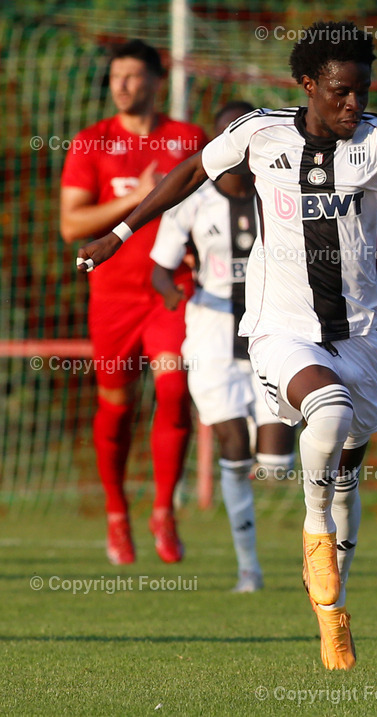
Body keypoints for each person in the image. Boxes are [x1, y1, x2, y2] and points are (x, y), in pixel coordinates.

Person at [76, 20, 377, 670]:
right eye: (339, 91)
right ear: (307, 84)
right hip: (279, 329)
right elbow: (193, 168)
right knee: (327, 414)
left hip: (360, 335)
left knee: (349, 474)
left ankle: (332, 609)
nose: (353, 104)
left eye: (362, 90)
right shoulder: (261, 132)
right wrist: (119, 232)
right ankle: (313, 534)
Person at [60, 39, 207, 565]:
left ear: (155, 80)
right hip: (113, 298)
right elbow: (71, 224)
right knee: (116, 409)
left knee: (173, 391)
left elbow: (218, 200)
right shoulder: (90, 143)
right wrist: (138, 196)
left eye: (132, 75)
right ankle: (117, 515)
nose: (121, 84)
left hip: (170, 294)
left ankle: (164, 512)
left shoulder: (187, 138)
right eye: (115, 76)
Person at [150, 101, 297, 593]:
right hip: (212, 332)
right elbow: (160, 268)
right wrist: (174, 294)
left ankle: (312, 543)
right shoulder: (190, 200)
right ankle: (248, 569)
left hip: (269, 329)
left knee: (275, 466)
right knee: (232, 445)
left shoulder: (279, 193)